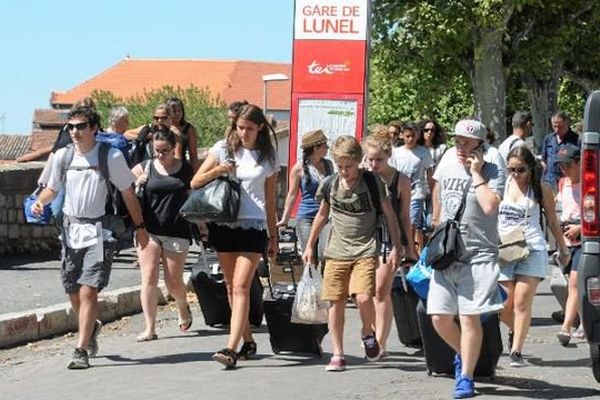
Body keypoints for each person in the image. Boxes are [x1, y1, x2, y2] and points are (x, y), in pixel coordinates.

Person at [30, 106, 147, 369]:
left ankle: (80, 350)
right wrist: (40, 202)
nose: (74, 132)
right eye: (70, 127)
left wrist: (140, 227)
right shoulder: (63, 156)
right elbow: (51, 188)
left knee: (88, 290)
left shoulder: (111, 156)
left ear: (94, 128)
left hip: (98, 231)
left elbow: (128, 194)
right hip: (71, 231)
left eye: (80, 126)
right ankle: (91, 325)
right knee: (72, 289)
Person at [302, 135, 402, 372]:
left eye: (349, 166)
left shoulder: (372, 182)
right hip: (336, 251)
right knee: (335, 302)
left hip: (365, 248)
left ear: (359, 161)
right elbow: (322, 215)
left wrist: (397, 246)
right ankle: (338, 353)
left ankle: (368, 332)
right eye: (340, 166)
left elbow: (389, 215)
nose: (345, 171)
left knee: (363, 297)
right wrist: (309, 245)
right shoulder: (331, 184)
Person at [190, 104, 279, 369]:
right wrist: (219, 170)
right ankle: (248, 340)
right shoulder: (222, 149)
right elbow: (195, 182)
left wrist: (273, 236)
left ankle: (230, 348)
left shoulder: (267, 156)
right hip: (225, 223)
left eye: (249, 128)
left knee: (241, 286)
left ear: (260, 128)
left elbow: (271, 200)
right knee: (230, 286)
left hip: (253, 226)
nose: (243, 133)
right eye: (240, 127)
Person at [429, 119, 505, 398]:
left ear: (480, 145)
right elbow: (438, 188)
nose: (461, 147)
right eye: (458, 141)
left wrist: (476, 173)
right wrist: (436, 220)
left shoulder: (494, 167)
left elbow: (489, 206)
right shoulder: (447, 157)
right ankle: (466, 354)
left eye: (468, 143)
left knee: (470, 318)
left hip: (479, 254)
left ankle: (466, 377)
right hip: (448, 251)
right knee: (438, 317)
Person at [497, 146, 569, 367]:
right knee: (502, 306)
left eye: (520, 169)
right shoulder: (503, 185)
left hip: (532, 247)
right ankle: (516, 329)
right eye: (511, 169)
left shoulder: (540, 188)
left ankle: (516, 350)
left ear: (530, 168)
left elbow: (552, 222)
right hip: (505, 249)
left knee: (521, 303)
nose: (516, 174)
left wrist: (563, 248)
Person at [131, 127, 194, 342]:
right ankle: (150, 328)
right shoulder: (146, 167)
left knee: (173, 281)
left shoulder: (185, 170)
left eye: (165, 151)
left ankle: (182, 305)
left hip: (177, 230)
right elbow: (125, 188)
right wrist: (137, 183)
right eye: (156, 150)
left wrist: (202, 226)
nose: (160, 155)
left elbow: (196, 196)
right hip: (148, 230)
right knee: (148, 276)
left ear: (173, 148)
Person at [363, 133, 418, 355]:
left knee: (380, 290)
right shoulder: (364, 177)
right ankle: (373, 332)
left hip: (390, 238)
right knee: (365, 292)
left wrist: (410, 247)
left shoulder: (401, 180)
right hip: (366, 237)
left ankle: (380, 342)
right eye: (370, 159)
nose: (374, 164)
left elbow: (405, 216)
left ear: (388, 156)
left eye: (379, 159)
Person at [277, 129, 333, 267]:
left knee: (324, 254)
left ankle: (324, 284)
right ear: (316, 148)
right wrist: (285, 219)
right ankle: (312, 285)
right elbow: (292, 194)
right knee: (310, 255)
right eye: (325, 145)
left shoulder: (328, 165)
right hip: (307, 217)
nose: (327, 148)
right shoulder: (299, 168)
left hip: (326, 217)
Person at [389, 122, 435, 253]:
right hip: (399, 193)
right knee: (399, 221)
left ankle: (410, 249)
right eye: (407, 136)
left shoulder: (423, 153)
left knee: (413, 222)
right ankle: (403, 249)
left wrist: (432, 192)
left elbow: (430, 174)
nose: (410, 139)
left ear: (417, 136)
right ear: (402, 136)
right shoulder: (396, 153)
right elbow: (391, 173)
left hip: (416, 193)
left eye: (413, 136)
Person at [555, 144, 583, 346]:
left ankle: (566, 327)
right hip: (566, 240)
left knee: (574, 282)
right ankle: (582, 320)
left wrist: (580, 228)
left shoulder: (590, 184)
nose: (564, 169)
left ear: (578, 163)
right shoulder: (563, 183)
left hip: (583, 238)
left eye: (567, 165)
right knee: (567, 284)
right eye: (561, 165)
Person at [417, 118, 447, 233]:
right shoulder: (416, 149)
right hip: (418, 188)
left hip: (435, 187)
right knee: (417, 222)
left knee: (431, 222)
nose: (429, 133)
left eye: (432, 130)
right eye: (426, 130)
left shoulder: (441, 149)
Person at [540, 111, 580, 192]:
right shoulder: (548, 139)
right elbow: (544, 161)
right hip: (549, 183)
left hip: (567, 184)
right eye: (554, 126)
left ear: (567, 123)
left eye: (560, 126)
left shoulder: (576, 140)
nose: (557, 129)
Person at [167, 97, 200, 171]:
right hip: (162, 166)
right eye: (174, 111)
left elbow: (193, 154)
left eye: (179, 111)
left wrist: (195, 173)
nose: (177, 114)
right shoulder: (163, 126)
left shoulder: (189, 129)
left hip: (181, 167)